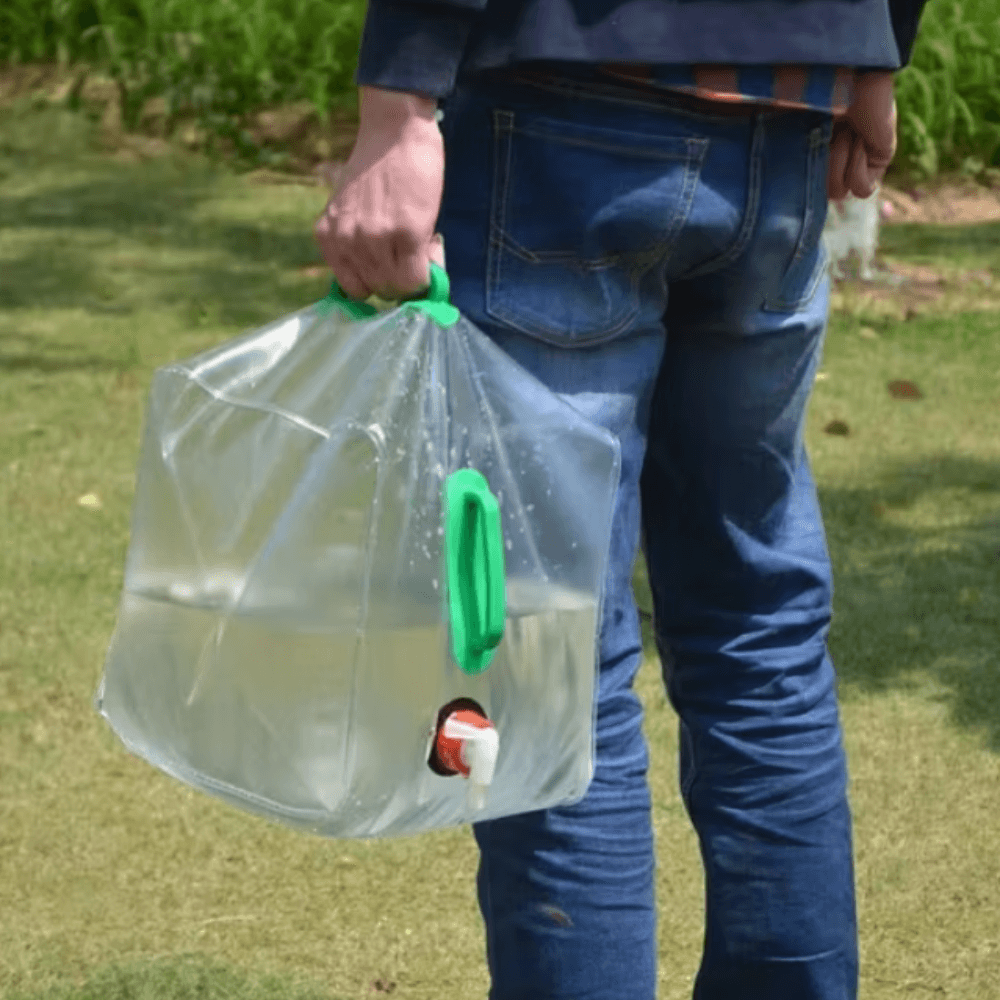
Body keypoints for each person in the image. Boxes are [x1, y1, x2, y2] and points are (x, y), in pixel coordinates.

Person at [315, 2, 930, 997]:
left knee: (550, 653)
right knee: (757, 623)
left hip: (568, 99)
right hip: (785, 102)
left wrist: (399, 95)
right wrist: (873, 43)